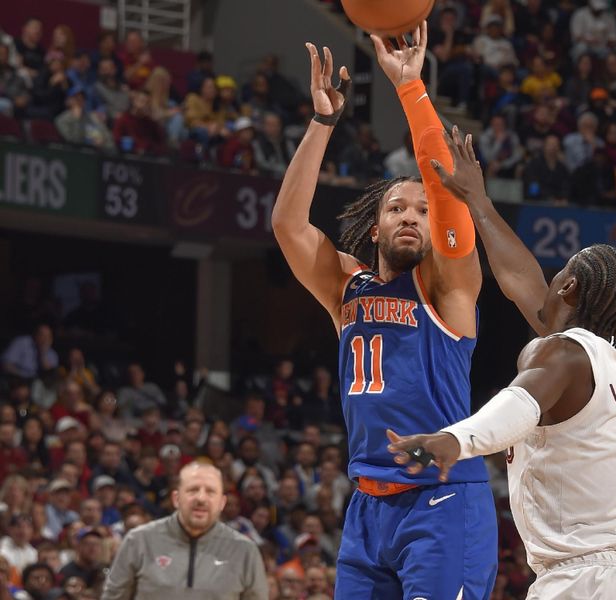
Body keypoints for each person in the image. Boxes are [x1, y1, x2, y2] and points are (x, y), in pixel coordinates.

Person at [271, 23, 497, 599]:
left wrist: (411, 89)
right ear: (376, 225)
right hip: (368, 505)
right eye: (398, 207)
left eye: (422, 210)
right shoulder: (347, 286)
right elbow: (288, 226)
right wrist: (323, 123)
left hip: (441, 497)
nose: (412, 216)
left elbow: (448, 192)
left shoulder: (450, 286)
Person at [386, 128, 616, 598]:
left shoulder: (561, 353)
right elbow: (522, 280)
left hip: (585, 582)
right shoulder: (604, 357)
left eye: (560, 274)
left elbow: (520, 402)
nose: (548, 279)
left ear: (569, 289)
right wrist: (478, 203)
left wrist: (455, 440)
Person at [102, 462, 269, 599]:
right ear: (176, 499)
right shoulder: (139, 540)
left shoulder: (244, 550)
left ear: (222, 503)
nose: (201, 499)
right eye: (192, 490)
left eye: (210, 492)